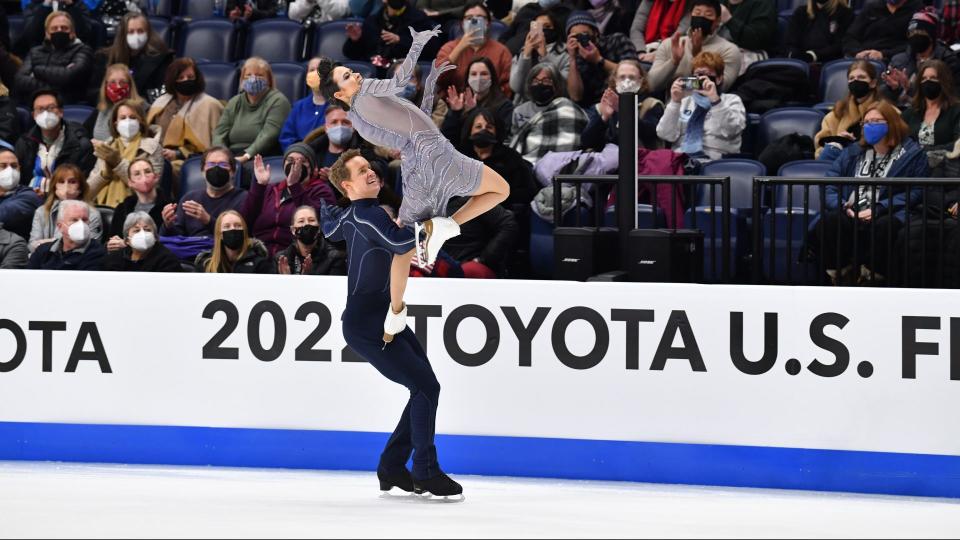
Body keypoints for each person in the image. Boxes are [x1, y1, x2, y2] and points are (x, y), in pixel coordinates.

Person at [312, 27, 510, 341]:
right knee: (501, 189)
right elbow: (403, 83)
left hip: (418, 159)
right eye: (347, 77)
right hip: (435, 153)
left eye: (351, 71)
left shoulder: (360, 121)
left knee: (404, 246)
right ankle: (445, 226)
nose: (355, 76)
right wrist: (417, 45)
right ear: (339, 94)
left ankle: (395, 313)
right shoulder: (368, 92)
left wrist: (430, 82)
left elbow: (409, 125)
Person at [320, 149, 463, 498]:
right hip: (368, 323)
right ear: (347, 185)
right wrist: (433, 226)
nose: (371, 172)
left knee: (424, 387)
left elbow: (330, 230)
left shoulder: (355, 214)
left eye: (371, 167)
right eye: (361, 171)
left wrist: (328, 210)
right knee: (425, 387)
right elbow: (400, 243)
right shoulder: (368, 214)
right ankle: (425, 471)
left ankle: (393, 466)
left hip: (379, 317)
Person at [813, 101, 927, 284]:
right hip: (851, 211)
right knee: (830, 221)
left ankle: (872, 278)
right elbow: (830, 184)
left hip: (887, 213)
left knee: (886, 225)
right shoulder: (853, 152)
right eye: (866, 122)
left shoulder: (912, 154)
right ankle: (841, 276)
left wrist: (879, 208)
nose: (870, 126)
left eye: (876, 121)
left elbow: (916, 191)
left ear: (891, 123)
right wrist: (843, 207)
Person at [243, 143, 337, 256]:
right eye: (290, 160)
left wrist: (294, 186)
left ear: (313, 169)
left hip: (295, 255)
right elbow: (245, 221)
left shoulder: (322, 190)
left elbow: (321, 220)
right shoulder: (270, 189)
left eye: (302, 161)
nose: (296, 164)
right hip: (261, 253)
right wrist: (260, 186)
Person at [657, 51, 745, 161]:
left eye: (707, 76)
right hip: (682, 158)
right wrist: (675, 102)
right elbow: (665, 135)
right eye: (698, 76)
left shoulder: (731, 100)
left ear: (719, 79)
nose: (702, 80)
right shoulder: (684, 102)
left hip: (716, 160)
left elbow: (731, 131)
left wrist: (715, 101)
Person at [147, 58, 225, 179]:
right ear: (173, 80)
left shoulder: (210, 105)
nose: (186, 80)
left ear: (197, 78)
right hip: (156, 154)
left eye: (190, 77)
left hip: (189, 160)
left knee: (164, 170)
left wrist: (178, 154)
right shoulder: (161, 102)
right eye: (181, 78)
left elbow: (213, 147)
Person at [646, 0, 741, 95]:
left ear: (718, 21)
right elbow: (651, 84)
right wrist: (673, 62)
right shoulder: (671, 44)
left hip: (710, 107)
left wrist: (697, 55)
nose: (701, 18)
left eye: (708, 15)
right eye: (697, 13)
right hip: (672, 106)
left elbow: (721, 87)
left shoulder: (729, 50)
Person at [213, 57, 292, 165]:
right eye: (248, 75)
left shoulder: (278, 101)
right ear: (242, 79)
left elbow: (269, 135)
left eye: (259, 75)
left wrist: (247, 155)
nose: (253, 79)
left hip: (262, 156)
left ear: (269, 79)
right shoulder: (235, 101)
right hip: (231, 155)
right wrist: (222, 155)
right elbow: (219, 133)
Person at [86, 99, 163, 208]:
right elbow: (87, 192)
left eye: (132, 117)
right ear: (115, 122)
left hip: (137, 209)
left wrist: (118, 163)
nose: (128, 122)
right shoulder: (107, 147)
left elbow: (149, 187)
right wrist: (104, 175)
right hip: (102, 209)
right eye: (123, 118)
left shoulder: (152, 147)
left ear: (140, 121)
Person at [15, 90, 96, 192]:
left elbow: (81, 184)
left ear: (61, 112)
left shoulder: (81, 144)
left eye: (51, 108)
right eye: (40, 109)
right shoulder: (24, 142)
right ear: (33, 115)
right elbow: (20, 180)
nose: (45, 113)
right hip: (30, 196)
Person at [456, 107, 538, 208]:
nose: (483, 131)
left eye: (489, 127)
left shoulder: (511, 157)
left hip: (502, 212)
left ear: (496, 131)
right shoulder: (460, 157)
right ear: (470, 131)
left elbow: (528, 192)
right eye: (478, 127)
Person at [509, 62, 588, 164]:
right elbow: (515, 141)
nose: (540, 84)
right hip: (526, 165)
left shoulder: (566, 109)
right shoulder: (519, 111)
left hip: (558, 164)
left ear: (556, 85)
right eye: (535, 81)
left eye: (546, 81)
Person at [880, 9, 960, 108]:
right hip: (899, 112)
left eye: (920, 33)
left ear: (931, 37)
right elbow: (885, 98)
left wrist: (909, 88)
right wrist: (894, 89)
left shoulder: (947, 61)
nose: (916, 37)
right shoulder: (899, 60)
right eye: (912, 34)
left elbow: (949, 97)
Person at [161, 147, 248, 237]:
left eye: (223, 164)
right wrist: (168, 225)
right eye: (211, 164)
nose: (216, 168)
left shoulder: (243, 198)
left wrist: (208, 220)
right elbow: (176, 238)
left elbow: (240, 237)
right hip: (191, 248)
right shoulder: (189, 198)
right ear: (202, 170)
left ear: (233, 171)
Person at [560, 10, 638, 108]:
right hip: (594, 109)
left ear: (596, 32)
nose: (581, 40)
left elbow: (635, 75)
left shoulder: (617, 40)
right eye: (576, 37)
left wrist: (598, 60)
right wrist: (572, 59)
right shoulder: (577, 58)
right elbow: (576, 96)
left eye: (584, 34)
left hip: (624, 99)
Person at [435, 1, 513, 97]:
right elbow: (437, 79)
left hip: (490, 105)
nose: (474, 20)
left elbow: (508, 85)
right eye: (469, 18)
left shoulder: (502, 51)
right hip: (454, 103)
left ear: (488, 23)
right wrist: (459, 48)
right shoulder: (449, 48)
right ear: (462, 24)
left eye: (480, 17)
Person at [582, 59, 664, 151]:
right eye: (622, 77)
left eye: (632, 77)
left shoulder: (651, 104)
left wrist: (623, 111)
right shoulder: (600, 108)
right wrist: (603, 118)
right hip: (608, 162)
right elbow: (586, 142)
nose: (627, 81)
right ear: (615, 80)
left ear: (640, 81)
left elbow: (651, 133)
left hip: (641, 160)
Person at [89, 13, 172, 103]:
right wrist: (112, 94)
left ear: (148, 33)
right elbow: (93, 92)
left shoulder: (161, 58)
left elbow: (163, 92)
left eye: (140, 31)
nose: (136, 36)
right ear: (123, 35)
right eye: (131, 32)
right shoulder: (104, 57)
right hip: (111, 107)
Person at [14, 11, 94, 105]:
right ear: (47, 33)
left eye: (64, 28)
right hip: (33, 102)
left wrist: (36, 71)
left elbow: (68, 76)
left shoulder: (83, 50)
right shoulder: (35, 51)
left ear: (72, 32)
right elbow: (20, 80)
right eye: (54, 28)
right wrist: (57, 85)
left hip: (67, 104)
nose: (59, 31)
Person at [901, 60, 960, 177]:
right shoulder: (910, 113)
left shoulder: (956, 110)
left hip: (947, 171)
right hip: (913, 170)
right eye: (924, 79)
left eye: (933, 78)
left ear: (943, 81)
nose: (928, 82)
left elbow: (957, 144)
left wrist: (922, 150)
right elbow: (900, 142)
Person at [815, 59, 881, 160]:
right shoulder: (838, 112)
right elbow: (820, 144)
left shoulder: (885, 112)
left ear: (873, 83)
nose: (856, 81)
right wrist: (839, 141)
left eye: (861, 77)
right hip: (840, 161)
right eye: (851, 78)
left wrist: (854, 144)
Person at [29, 163, 103, 252]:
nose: (66, 186)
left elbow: (89, 246)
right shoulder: (41, 211)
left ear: (81, 186)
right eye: (61, 182)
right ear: (54, 186)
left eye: (72, 182)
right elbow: (32, 246)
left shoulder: (91, 214)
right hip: (45, 261)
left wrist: (45, 243)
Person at [343, 0, 436, 69]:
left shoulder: (419, 19)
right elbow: (351, 54)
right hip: (374, 76)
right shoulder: (372, 21)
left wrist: (401, 40)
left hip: (404, 72)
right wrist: (355, 41)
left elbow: (431, 49)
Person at [441, 196, 518, 278]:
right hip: (440, 264)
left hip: (472, 264)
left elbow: (508, 224)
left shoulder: (474, 199)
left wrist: (484, 259)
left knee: (470, 270)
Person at [106, 158, 173, 248]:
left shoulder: (170, 206)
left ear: (156, 177)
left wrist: (127, 245)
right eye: (137, 174)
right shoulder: (122, 208)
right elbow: (112, 239)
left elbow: (173, 242)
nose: (143, 177)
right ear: (130, 182)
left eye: (147, 171)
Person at [442, 57, 514, 141]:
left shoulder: (504, 105)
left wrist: (473, 112)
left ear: (492, 77)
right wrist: (455, 113)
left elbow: (502, 136)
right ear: (468, 78)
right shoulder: (460, 102)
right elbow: (447, 138)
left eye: (484, 74)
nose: (478, 78)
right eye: (473, 74)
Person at [27, 199, 106, 270]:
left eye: (84, 220)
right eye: (74, 220)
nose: (81, 224)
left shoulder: (98, 253)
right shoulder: (42, 251)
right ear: (60, 226)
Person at [509, 8, 568, 99]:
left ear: (556, 29)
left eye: (547, 27)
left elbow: (562, 88)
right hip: (525, 104)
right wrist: (526, 56)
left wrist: (545, 56)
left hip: (554, 102)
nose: (543, 31)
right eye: (538, 27)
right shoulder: (522, 51)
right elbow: (516, 87)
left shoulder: (565, 54)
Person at [275, 205, 347, 275]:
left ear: (319, 228)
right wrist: (286, 279)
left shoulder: (335, 258)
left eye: (311, 220)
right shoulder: (280, 259)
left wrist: (308, 278)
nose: (306, 224)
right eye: (301, 221)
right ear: (293, 230)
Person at [194, 210, 273, 273]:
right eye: (227, 226)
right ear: (220, 234)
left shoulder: (260, 263)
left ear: (244, 231)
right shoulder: (206, 264)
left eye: (238, 225)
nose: (233, 229)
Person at [842, 0, 923, 62]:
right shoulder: (871, 6)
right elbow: (850, 36)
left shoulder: (917, 9)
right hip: (864, 57)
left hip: (895, 59)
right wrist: (859, 52)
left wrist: (883, 54)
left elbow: (915, 43)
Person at [102, 211, 182, 272]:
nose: (143, 234)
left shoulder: (167, 260)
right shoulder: (115, 258)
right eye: (136, 231)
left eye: (147, 230)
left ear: (155, 236)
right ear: (127, 240)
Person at [84, 63, 145, 142]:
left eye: (122, 82)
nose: (118, 87)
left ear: (130, 85)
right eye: (113, 82)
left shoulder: (141, 108)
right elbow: (84, 130)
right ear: (106, 85)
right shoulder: (103, 107)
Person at [280, 57, 330, 153]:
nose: (316, 73)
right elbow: (286, 137)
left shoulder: (339, 105)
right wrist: (297, 152)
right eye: (312, 70)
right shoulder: (298, 106)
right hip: (299, 156)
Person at [784, 0, 854, 65]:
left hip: (830, 63)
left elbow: (841, 45)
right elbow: (790, 42)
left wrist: (813, 55)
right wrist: (794, 55)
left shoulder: (845, 13)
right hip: (801, 64)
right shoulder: (800, 12)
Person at [716, 0, 777, 71]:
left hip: (749, 54)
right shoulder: (717, 2)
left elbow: (757, 41)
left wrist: (730, 21)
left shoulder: (763, 4)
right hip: (717, 50)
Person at [0, 149, 42, 241]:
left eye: (14, 166)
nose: (10, 170)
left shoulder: (29, 196)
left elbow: (5, 215)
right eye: (3, 166)